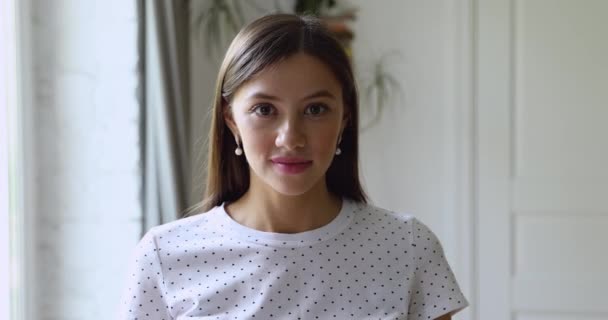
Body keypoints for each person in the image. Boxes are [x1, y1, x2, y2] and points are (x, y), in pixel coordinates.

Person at [118, 14, 468, 320]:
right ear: (231, 120)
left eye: (315, 109)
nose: (291, 138)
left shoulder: (406, 246)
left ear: (344, 117)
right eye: (265, 110)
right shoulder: (164, 257)